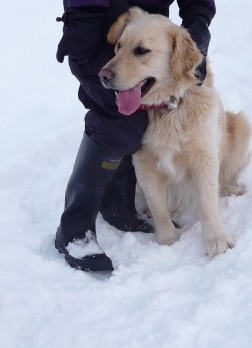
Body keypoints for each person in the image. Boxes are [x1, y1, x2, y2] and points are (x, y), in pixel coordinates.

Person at [54, 0, 216, 273]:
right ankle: (73, 230)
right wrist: (84, 26)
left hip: (143, 30)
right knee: (115, 122)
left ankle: (119, 207)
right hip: (92, 29)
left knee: (137, 125)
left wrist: (195, 35)